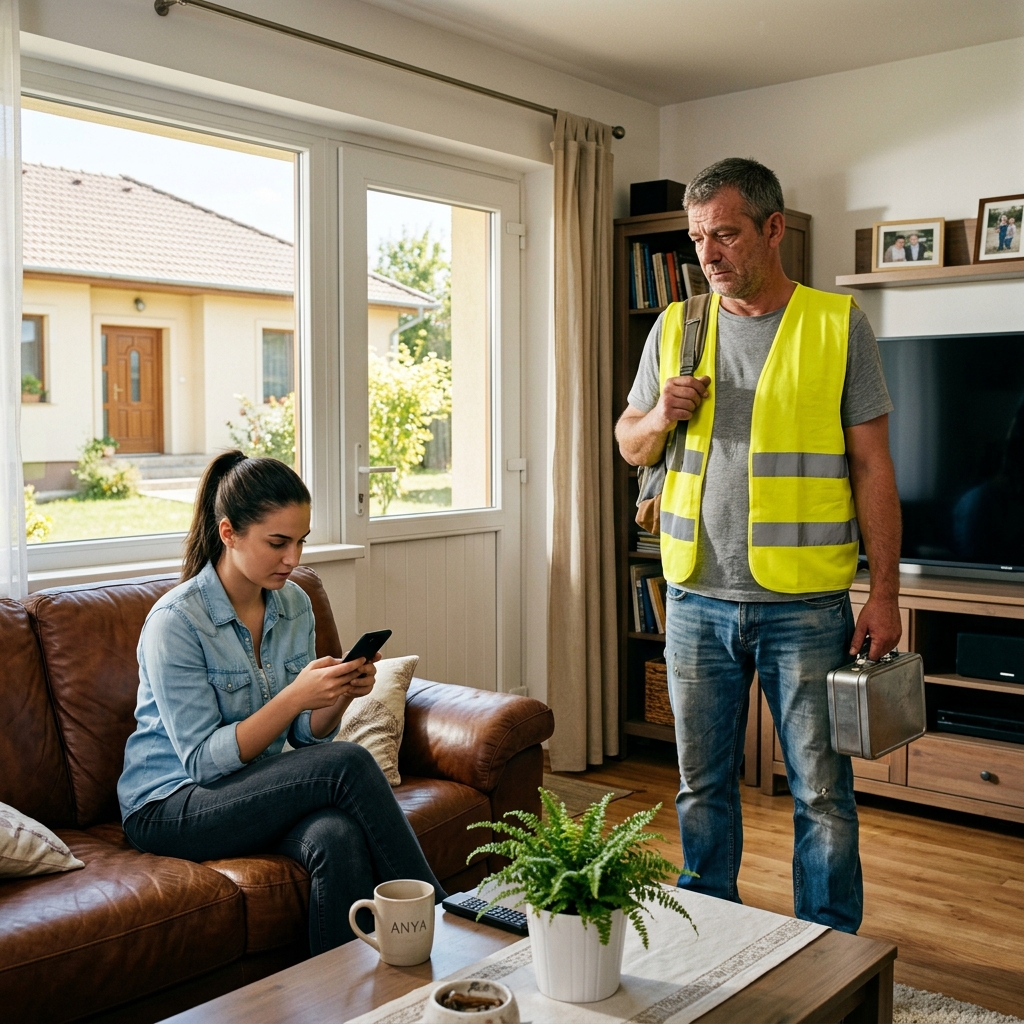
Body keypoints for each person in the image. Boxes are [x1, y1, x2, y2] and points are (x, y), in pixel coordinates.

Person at [615, 158, 902, 934]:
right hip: (695, 595)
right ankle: (711, 935)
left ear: (774, 230)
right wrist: (661, 416)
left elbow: (873, 465)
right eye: (698, 237)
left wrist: (884, 593)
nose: (708, 253)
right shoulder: (677, 326)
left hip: (804, 605)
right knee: (700, 785)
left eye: (727, 235)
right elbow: (630, 444)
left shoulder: (836, 323)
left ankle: (830, 947)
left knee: (819, 791)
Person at [117, 451, 444, 954]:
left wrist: (335, 696)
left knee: (336, 836)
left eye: (300, 542)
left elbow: (303, 736)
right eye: (278, 543)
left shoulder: (293, 603)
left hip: (246, 791)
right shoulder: (176, 622)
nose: (293, 559)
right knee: (348, 765)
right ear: (228, 533)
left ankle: (347, 999)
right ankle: (448, 919)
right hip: (169, 806)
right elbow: (203, 763)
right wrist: (294, 696)